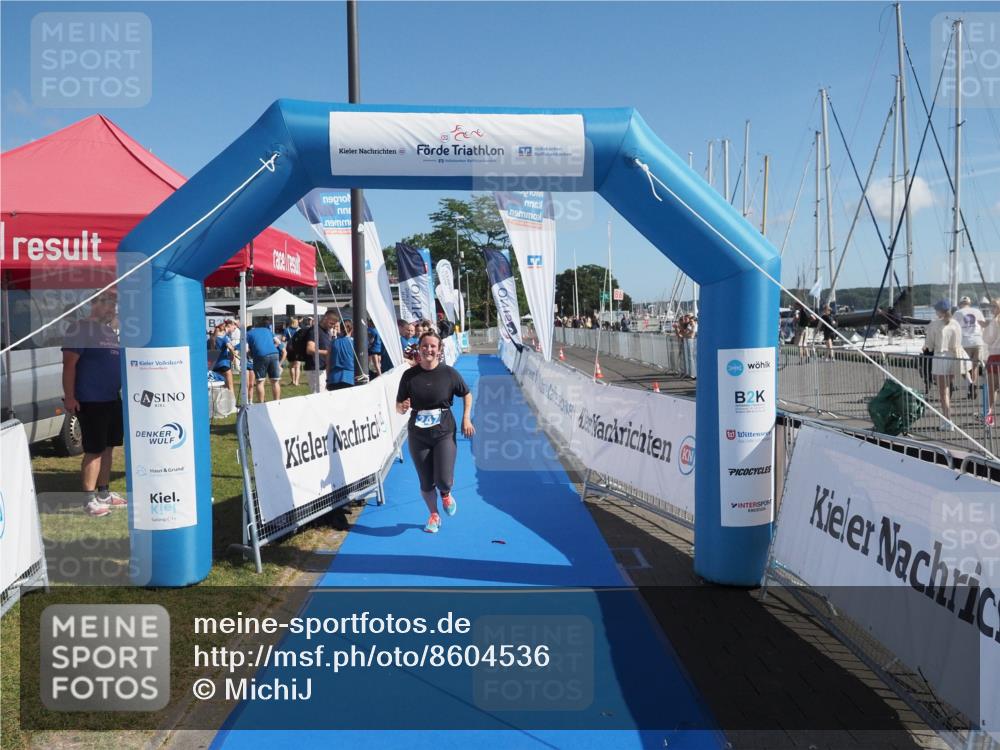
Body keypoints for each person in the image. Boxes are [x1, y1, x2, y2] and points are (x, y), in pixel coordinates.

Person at [395, 331, 474, 534]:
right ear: (419, 349)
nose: (428, 349)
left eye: (433, 346)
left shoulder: (449, 373)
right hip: (418, 434)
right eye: (425, 346)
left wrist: (466, 418)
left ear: (439, 350)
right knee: (425, 480)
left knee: (443, 480)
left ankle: (446, 493)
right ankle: (433, 514)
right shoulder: (408, 376)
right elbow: (398, 405)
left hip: (444, 432)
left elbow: (467, 394)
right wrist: (402, 407)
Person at [62, 292, 127, 517]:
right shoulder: (79, 329)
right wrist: (69, 396)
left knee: (108, 447)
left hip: (111, 398)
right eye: (108, 305)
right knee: (94, 450)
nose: (112, 310)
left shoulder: (109, 331)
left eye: (114, 306)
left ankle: (103, 493)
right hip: (91, 399)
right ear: (94, 304)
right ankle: (89, 500)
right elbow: (69, 365)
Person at [923, 299, 969, 432]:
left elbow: (929, 345)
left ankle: (947, 420)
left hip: (940, 358)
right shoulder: (956, 324)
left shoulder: (935, 324)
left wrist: (926, 347)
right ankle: (947, 419)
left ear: (940, 311)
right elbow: (959, 343)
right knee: (948, 390)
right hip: (953, 358)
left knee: (943, 392)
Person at [246, 317, 282, 402]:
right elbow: (278, 342)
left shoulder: (248, 334)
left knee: (260, 381)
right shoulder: (267, 330)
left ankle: (261, 404)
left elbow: (246, 349)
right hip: (274, 353)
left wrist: (251, 355)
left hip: (260, 355)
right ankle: (277, 402)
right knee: (275, 381)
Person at [956, 296, 985, 399]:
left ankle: (970, 384)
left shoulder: (958, 313)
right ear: (969, 303)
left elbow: (955, 328)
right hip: (977, 341)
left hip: (965, 342)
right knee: (975, 366)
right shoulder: (977, 311)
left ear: (960, 304)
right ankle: (973, 388)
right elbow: (983, 326)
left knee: (963, 367)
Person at [303, 312, 338, 392]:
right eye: (331, 323)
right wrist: (327, 352)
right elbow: (309, 349)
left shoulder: (326, 332)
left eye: (334, 325)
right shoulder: (314, 331)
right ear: (325, 318)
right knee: (318, 395)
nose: (332, 326)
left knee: (324, 394)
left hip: (322, 368)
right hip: (314, 369)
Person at [982, 299, 1000, 425]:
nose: (991, 309)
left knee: (992, 389)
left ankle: (990, 417)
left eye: (993, 306)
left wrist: (985, 328)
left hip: (995, 355)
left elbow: (988, 339)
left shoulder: (994, 321)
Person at [327, 320, 357, 391]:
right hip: (350, 378)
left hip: (334, 378)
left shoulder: (333, 342)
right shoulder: (355, 343)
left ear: (340, 328)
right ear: (352, 329)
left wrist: (327, 378)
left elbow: (328, 362)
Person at [212, 321, 237, 393]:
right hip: (223, 364)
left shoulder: (212, 338)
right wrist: (233, 357)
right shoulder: (224, 337)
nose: (233, 330)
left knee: (220, 388)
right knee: (230, 387)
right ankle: (232, 403)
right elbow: (230, 348)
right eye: (234, 328)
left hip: (214, 366)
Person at [283, 316, 301, 386]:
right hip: (298, 349)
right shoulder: (300, 329)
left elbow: (283, 339)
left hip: (290, 349)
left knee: (291, 366)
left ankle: (293, 381)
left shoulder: (286, 330)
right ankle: (296, 382)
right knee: (298, 366)